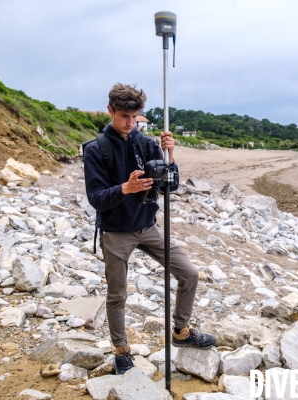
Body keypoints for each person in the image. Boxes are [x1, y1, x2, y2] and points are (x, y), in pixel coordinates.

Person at [83, 83, 216, 375]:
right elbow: (96, 199)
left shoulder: (146, 144)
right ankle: (121, 349)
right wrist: (125, 188)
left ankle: (180, 332)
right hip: (116, 232)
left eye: (135, 117)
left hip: (147, 226)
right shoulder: (96, 150)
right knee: (117, 294)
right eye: (124, 116)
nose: (130, 123)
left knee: (189, 274)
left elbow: (172, 184)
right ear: (110, 111)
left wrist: (171, 157)